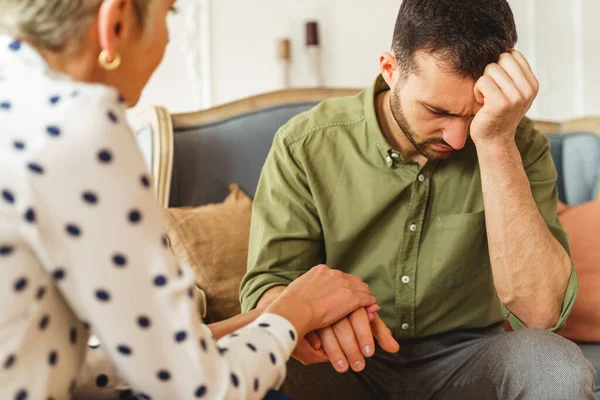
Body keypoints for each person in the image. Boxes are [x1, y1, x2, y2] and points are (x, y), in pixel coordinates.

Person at [0, 1, 382, 399]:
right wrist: (297, 309)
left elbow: (82, 362)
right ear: (115, 22)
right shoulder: (78, 124)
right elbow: (201, 388)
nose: (167, 39)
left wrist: (264, 319)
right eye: (170, 14)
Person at [240, 0, 598, 398]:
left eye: (474, 115)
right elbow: (269, 286)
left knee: (554, 366)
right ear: (390, 70)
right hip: (342, 361)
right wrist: (314, 317)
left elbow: (541, 314)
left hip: (471, 356)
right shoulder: (305, 144)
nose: (457, 138)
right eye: (437, 110)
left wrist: (496, 143)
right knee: (262, 358)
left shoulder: (519, 145)